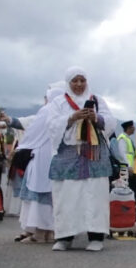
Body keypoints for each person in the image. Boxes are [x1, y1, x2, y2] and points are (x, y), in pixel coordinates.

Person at [47, 66, 116, 251]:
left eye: (82, 80)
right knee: (67, 196)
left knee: (95, 196)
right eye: (75, 81)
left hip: (94, 155)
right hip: (68, 157)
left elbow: (110, 122)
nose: (79, 84)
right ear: (68, 83)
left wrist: (97, 118)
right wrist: (71, 117)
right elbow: (52, 125)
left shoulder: (97, 100)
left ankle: (96, 237)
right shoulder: (59, 102)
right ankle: (64, 237)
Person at [16, 86, 66, 243]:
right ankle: (50, 232)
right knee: (54, 195)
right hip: (60, 157)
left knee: (38, 194)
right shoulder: (65, 111)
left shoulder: (47, 110)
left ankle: (38, 232)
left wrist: (21, 148)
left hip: (42, 157)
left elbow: (32, 132)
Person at [117, 120, 136, 193]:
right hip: (125, 168)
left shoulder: (128, 138)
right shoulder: (122, 138)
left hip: (130, 168)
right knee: (125, 188)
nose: (134, 129)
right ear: (128, 128)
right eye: (132, 127)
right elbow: (123, 153)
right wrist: (129, 166)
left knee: (132, 188)